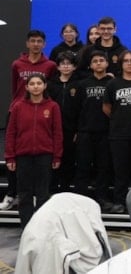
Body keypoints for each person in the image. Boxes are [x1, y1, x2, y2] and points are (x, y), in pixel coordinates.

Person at [4, 73, 62, 228]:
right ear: (27, 87)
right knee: (24, 194)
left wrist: (57, 156)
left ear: (45, 86)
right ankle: (27, 227)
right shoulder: (18, 107)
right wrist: (10, 156)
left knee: (43, 194)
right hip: (23, 156)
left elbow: (57, 132)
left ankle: (41, 228)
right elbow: (11, 132)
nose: (36, 86)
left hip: (45, 155)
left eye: (39, 83)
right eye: (32, 84)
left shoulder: (53, 106)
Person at [102, 50, 131, 213]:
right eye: (126, 61)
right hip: (118, 134)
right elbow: (106, 107)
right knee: (120, 171)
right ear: (121, 64)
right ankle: (120, 202)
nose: (129, 63)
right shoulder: (113, 84)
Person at [73, 51, 114, 210]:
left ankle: (102, 199)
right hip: (85, 132)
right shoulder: (82, 84)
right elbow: (76, 109)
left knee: (103, 167)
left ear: (107, 63)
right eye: (95, 61)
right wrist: (76, 130)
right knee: (82, 167)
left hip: (106, 132)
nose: (98, 63)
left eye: (101, 60)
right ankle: (80, 200)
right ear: (90, 65)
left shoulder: (112, 83)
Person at [46, 52, 80, 193]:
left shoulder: (79, 84)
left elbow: (82, 108)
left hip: (71, 130)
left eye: (69, 64)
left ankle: (65, 191)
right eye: (62, 64)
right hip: (52, 130)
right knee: (52, 160)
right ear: (58, 67)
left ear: (74, 67)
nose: (66, 67)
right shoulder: (50, 85)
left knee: (68, 160)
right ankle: (52, 191)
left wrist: (78, 129)